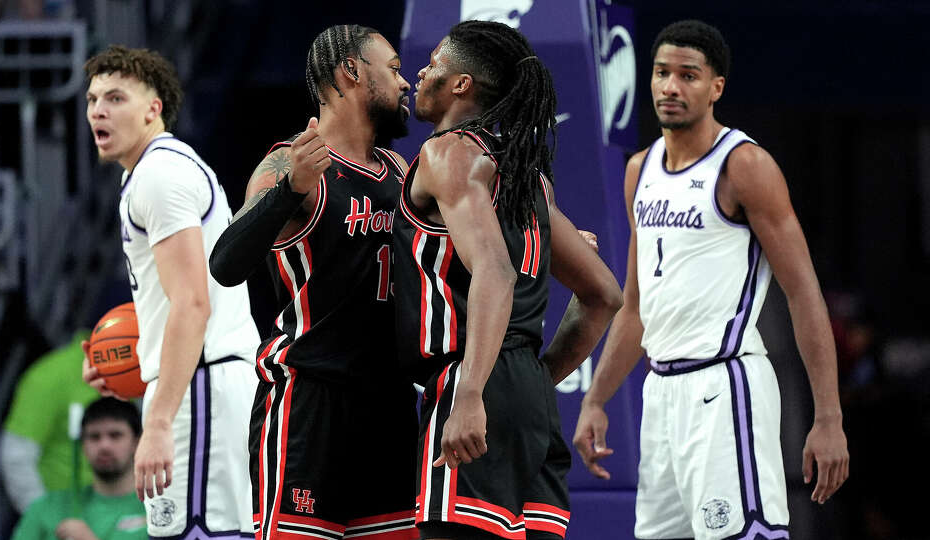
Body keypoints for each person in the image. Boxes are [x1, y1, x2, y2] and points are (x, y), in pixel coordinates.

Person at [572, 20, 850, 539]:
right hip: (661, 395)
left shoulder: (745, 166)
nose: (671, 87)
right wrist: (596, 400)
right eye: (661, 73)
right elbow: (636, 307)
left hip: (725, 387)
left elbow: (803, 292)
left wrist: (828, 417)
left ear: (716, 87)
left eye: (688, 75)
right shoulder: (640, 169)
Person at [393, 20, 623, 540]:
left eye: (432, 63)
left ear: (460, 84)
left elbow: (494, 271)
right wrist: (537, 380)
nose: (420, 73)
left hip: (471, 377)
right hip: (530, 395)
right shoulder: (526, 174)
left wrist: (472, 392)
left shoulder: (447, 152)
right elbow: (603, 295)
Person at [208, 25, 419, 540]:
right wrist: (287, 191)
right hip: (310, 400)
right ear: (351, 72)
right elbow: (225, 264)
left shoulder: (400, 169)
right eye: (392, 68)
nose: (406, 83)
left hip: (389, 406)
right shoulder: (290, 164)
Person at [81, 45, 259, 538]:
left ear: (152, 108)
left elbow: (193, 303)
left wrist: (156, 423)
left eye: (116, 98)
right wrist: (135, 357)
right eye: (93, 98)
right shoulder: (153, 172)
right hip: (200, 386)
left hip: (202, 391)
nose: (98, 109)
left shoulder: (159, 175)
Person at [11, 397, 147, 540]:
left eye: (115, 435)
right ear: (82, 445)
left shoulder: (157, 509)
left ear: (137, 443)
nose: (104, 446)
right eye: (94, 437)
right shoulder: (47, 508)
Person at [1, 330, 99, 514]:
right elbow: (17, 455)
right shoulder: (51, 375)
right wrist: (46, 519)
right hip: (66, 512)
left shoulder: (147, 368)